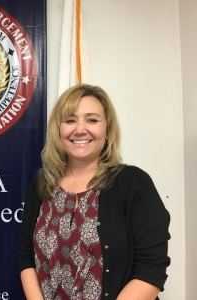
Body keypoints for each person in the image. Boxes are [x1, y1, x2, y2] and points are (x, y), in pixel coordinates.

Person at [18, 84, 170, 300]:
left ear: (107, 131)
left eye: (92, 120)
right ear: (58, 130)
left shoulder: (134, 183)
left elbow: (151, 268)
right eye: (70, 120)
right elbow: (26, 257)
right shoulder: (41, 185)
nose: (80, 129)